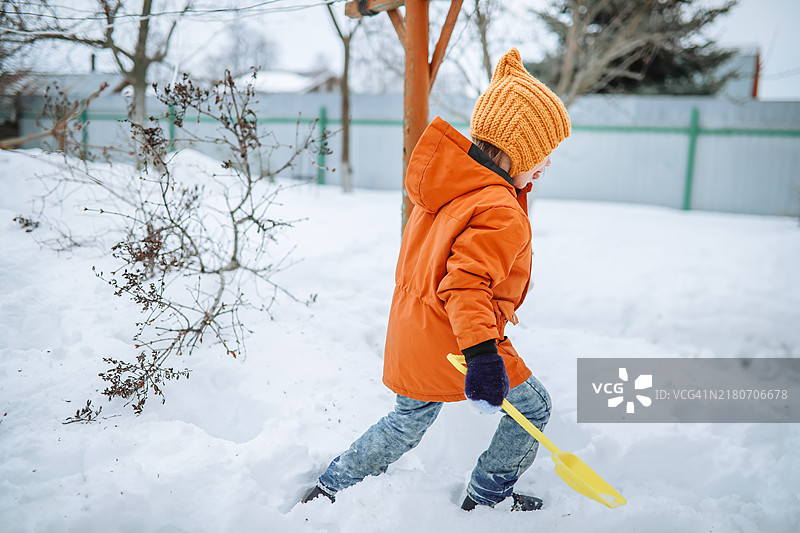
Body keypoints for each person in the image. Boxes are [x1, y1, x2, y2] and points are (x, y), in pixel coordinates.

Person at [302, 48, 570, 511]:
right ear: (517, 150)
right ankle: (488, 495)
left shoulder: (454, 186)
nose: (546, 166)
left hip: (415, 329)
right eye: (543, 155)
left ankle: (331, 486)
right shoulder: (499, 209)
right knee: (535, 407)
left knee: (406, 422)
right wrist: (484, 356)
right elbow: (466, 286)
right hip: (460, 339)